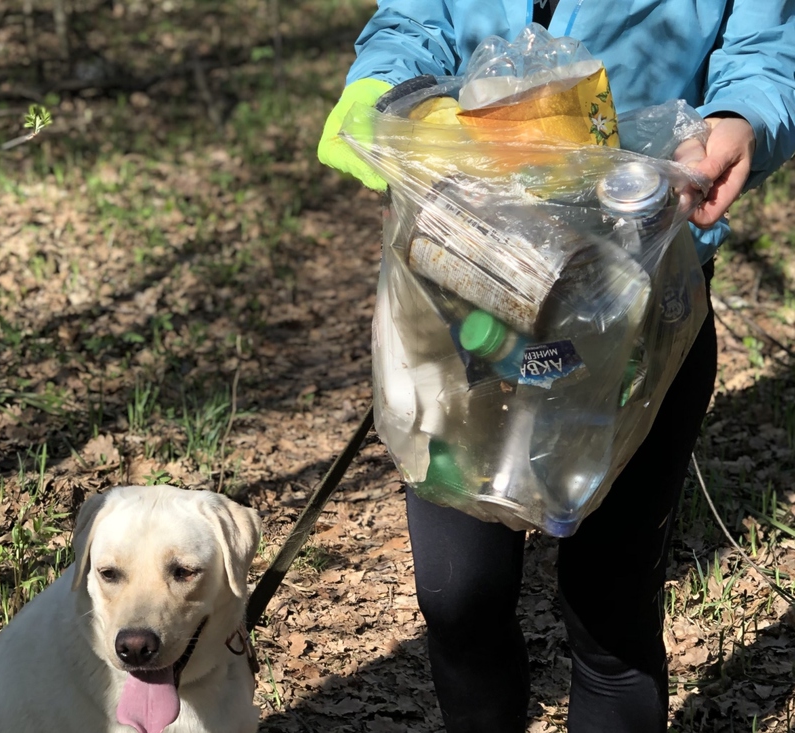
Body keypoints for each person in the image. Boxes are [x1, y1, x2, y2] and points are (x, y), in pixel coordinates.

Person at [318, 2, 795, 732]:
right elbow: (410, 21)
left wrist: (742, 120)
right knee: (457, 599)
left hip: (637, 306)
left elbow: (766, 51)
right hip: (462, 286)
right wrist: (381, 88)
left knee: (610, 612)